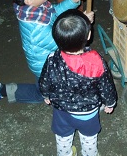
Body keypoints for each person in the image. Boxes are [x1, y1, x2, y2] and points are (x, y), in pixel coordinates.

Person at [0, 0, 94, 114]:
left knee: (48, 88)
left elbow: (55, 11)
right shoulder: (37, 28)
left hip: (46, 59)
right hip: (45, 66)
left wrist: (72, 0)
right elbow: (64, 41)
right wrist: (83, 23)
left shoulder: (34, 9)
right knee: (41, 94)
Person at [39, 9, 117, 156]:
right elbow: (106, 86)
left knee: (62, 138)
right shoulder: (96, 62)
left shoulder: (51, 58)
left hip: (61, 110)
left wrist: (45, 95)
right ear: (88, 35)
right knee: (89, 140)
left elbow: (44, 79)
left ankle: (65, 154)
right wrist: (110, 103)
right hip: (87, 113)